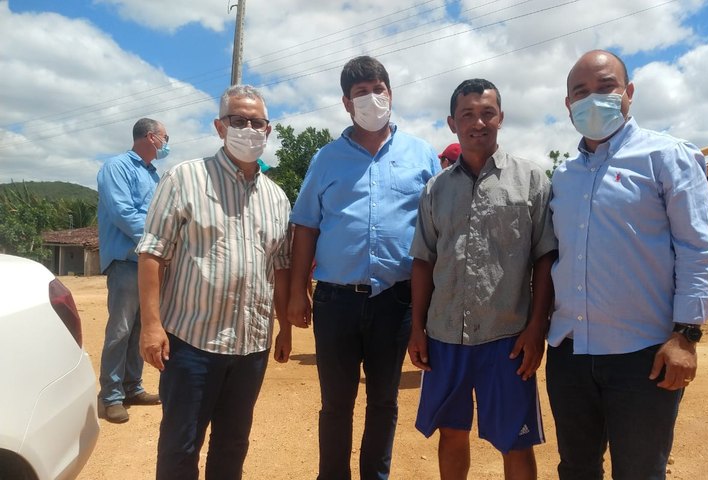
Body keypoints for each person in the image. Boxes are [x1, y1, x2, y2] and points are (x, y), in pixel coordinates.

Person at [547, 50, 708, 479]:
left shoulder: (668, 156)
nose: (593, 99)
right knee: (576, 469)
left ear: (629, 92)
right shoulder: (564, 177)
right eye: (580, 92)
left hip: (643, 356)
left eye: (605, 87)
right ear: (568, 105)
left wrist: (687, 335)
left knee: (639, 471)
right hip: (570, 353)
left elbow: (696, 248)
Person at [287, 55, 440, 480]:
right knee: (336, 403)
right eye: (361, 92)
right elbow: (306, 226)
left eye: (378, 89)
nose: (372, 98)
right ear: (346, 103)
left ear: (390, 93)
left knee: (384, 401)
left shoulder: (421, 155)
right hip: (335, 301)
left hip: (396, 300)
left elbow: (436, 229)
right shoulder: (326, 159)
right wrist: (298, 291)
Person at [136, 85, 293, 480]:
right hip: (192, 343)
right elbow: (152, 254)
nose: (249, 129)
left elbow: (279, 267)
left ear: (268, 129)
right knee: (180, 446)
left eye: (257, 122)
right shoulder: (184, 179)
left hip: (251, 347)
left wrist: (285, 329)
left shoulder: (277, 198)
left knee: (233, 445)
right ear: (220, 127)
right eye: (238, 120)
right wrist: (151, 326)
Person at [408, 78, 557, 480]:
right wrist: (417, 328)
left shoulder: (531, 180)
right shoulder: (435, 189)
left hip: (507, 337)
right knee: (451, 432)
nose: (478, 122)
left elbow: (545, 258)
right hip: (444, 336)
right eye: (467, 114)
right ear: (452, 122)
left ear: (501, 117)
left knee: (516, 441)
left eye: (487, 113)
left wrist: (536, 328)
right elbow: (423, 260)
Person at [96, 117, 167, 423]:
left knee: (141, 327)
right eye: (165, 137)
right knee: (121, 329)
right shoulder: (116, 167)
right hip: (126, 260)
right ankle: (110, 396)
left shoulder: (153, 174)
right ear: (151, 137)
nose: (166, 143)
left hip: (146, 263)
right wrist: (158, 240)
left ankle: (132, 387)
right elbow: (122, 212)